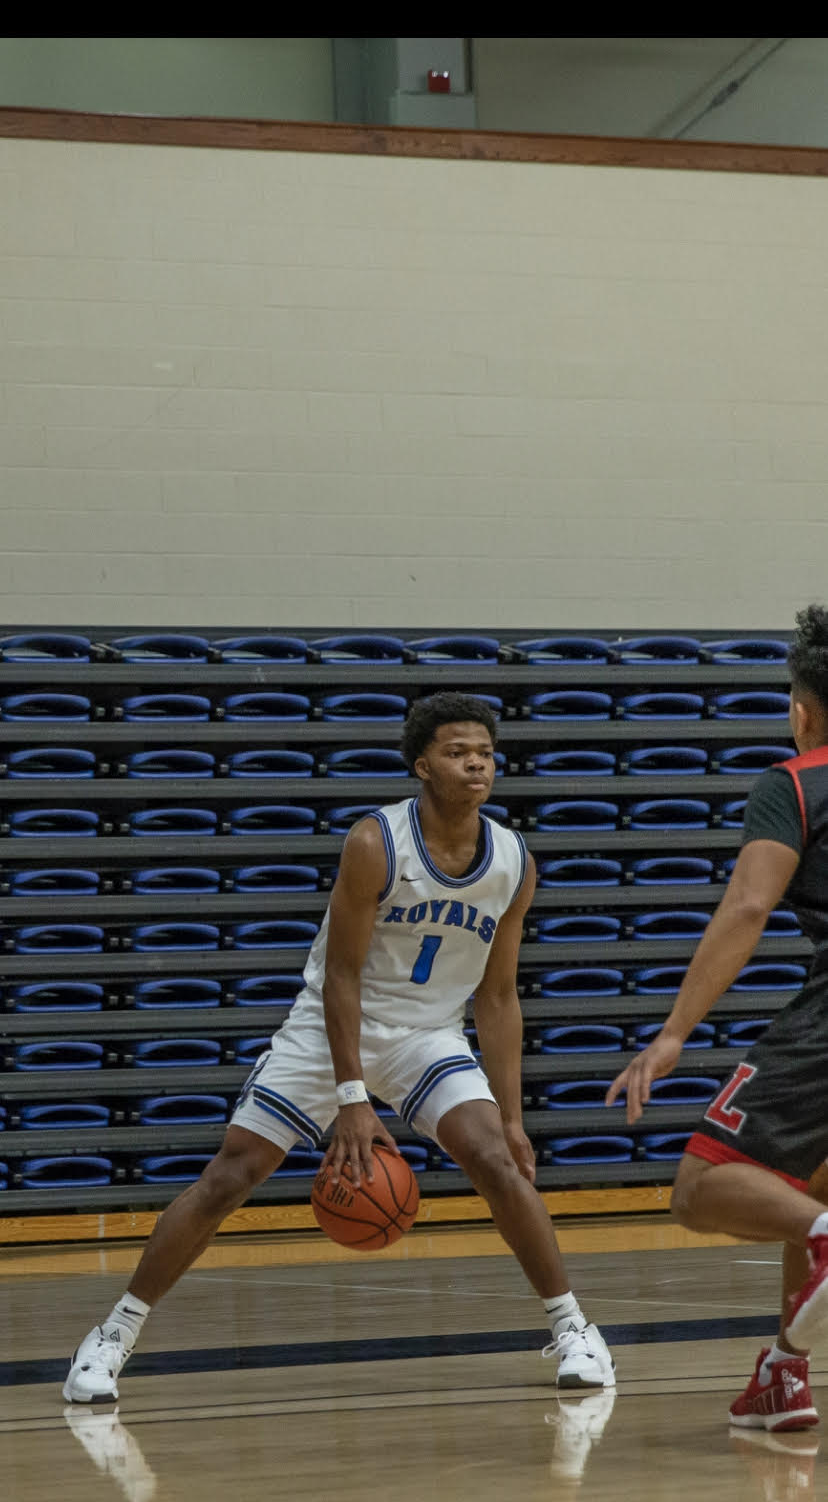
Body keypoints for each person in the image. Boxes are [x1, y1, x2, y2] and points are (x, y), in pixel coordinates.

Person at [64, 691, 615, 1404]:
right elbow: (341, 978)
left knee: (497, 1162)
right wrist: (352, 1098)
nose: (476, 762)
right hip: (335, 1030)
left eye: (484, 751)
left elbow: (499, 997)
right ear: (422, 765)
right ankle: (113, 1335)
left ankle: (574, 1330)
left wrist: (511, 1118)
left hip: (428, 1035)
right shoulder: (374, 843)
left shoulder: (513, 859)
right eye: (457, 751)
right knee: (231, 1175)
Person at [606, 604, 828, 1433]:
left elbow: (747, 906)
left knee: (701, 1185)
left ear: (800, 710)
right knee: (803, 1178)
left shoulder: (796, 781)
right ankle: (784, 1373)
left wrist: (671, 1035)